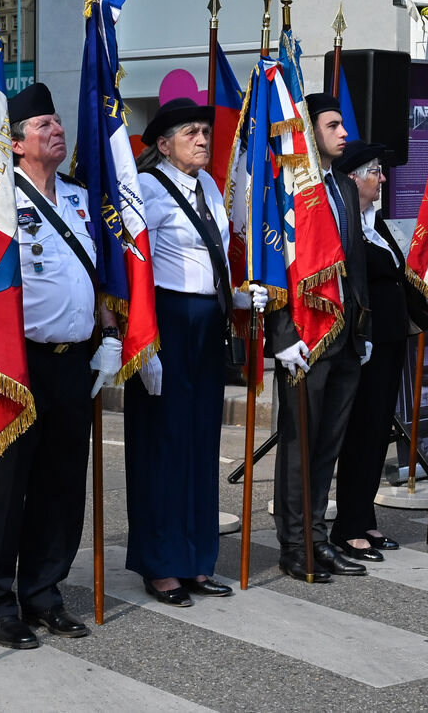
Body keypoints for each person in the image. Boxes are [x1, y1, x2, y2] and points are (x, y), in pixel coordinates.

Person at [0, 82, 122, 649]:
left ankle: (43, 592)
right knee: (3, 487)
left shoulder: (79, 197)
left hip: (72, 362)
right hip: (14, 363)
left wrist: (109, 333)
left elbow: (96, 274)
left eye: (57, 122)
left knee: (61, 484)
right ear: (14, 142)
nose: (57, 130)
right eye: (43, 125)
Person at [126, 98, 267, 606]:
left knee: (201, 441)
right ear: (164, 145)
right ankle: (161, 563)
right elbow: (133, 265)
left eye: (205, 131)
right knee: (163, 445)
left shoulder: (208, 184)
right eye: (191, 132)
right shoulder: (145, 188)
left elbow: (214, 255)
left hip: (208, 320)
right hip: (166, 320)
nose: (203, 139)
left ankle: (198, 559)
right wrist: (141, 342)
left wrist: (238, 297)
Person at [266, 94, 371, 583]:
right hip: (305, 339)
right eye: (333, 125)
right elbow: (277, 269)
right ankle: (294, 545)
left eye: (342, 124)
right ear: (308, 132)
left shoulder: (344, 187)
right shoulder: (288, 188)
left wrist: (363, 327)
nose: (344, 133)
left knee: (328, 446)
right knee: (299, 447)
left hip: (345, 335)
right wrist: (282, 334)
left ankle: (317, 536)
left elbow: (355, 264)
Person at [329, 140, 428, 562]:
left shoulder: (377, 223)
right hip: (364, 342)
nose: (383, 178)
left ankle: (365, 517)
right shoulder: (344, 223)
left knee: (377, 433)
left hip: (390, 341)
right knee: (360, 432)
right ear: (353, 179)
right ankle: (348, 526)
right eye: (375, 171)